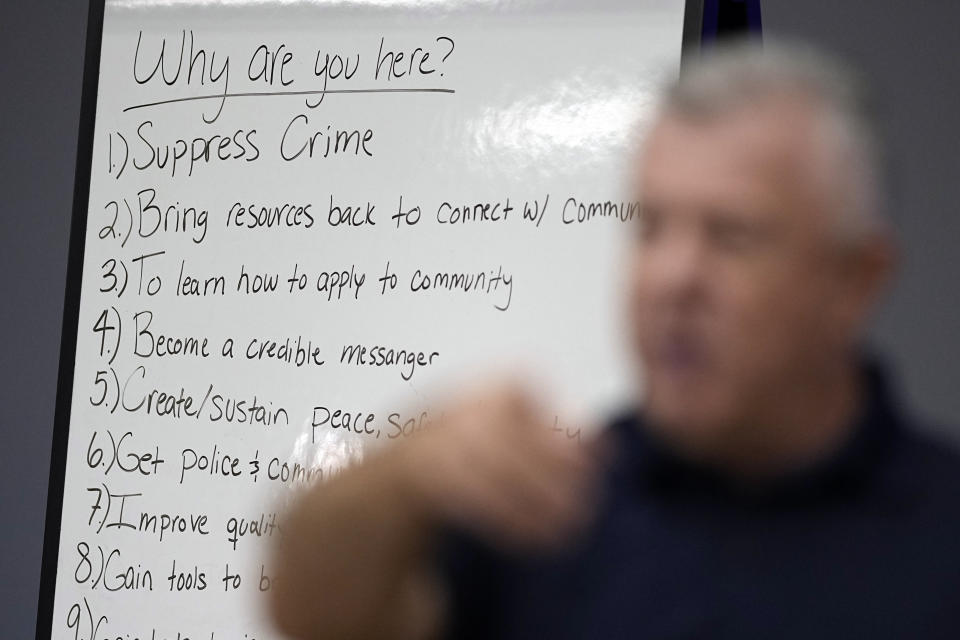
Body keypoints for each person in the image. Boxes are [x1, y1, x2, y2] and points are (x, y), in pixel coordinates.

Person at [268, 42, 960, 640]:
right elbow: (312, 613)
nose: (673, 277)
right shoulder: (551, 504)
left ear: (854, 280)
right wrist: (404, 472)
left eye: (732, 235)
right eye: (650, 227)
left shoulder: (939, 534)